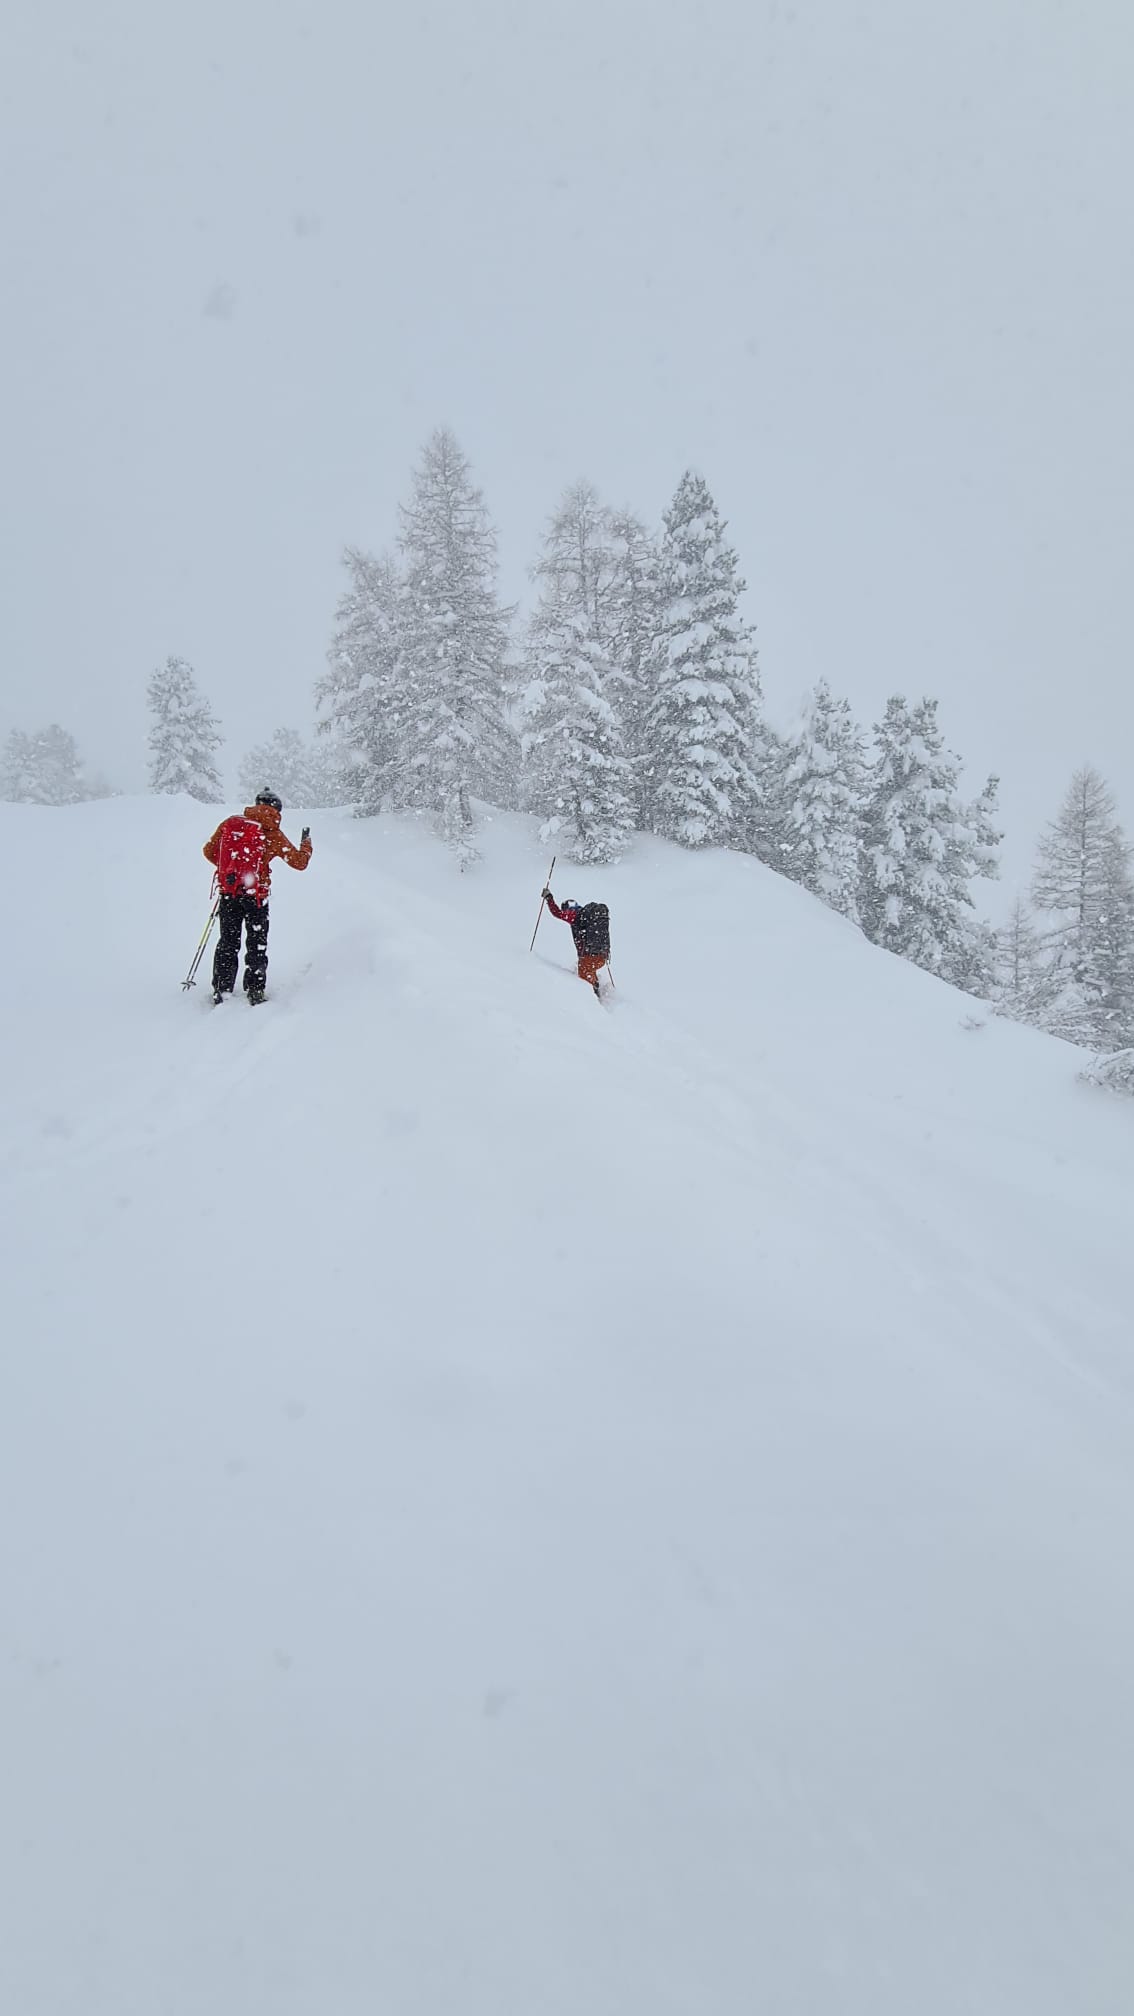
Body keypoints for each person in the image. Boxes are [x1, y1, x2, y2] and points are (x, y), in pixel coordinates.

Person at [202, 790, 312, 1005]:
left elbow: (209, 851)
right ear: (277, 810)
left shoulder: (231, 823)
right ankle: (255, 990)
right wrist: (306, 844)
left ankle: (222, 990)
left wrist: (231, 872)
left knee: (227, 942)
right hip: (257, 897)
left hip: (229, 893)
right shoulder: (272, 832)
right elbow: (299, 863)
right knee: (256, 944)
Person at [542, 888, 611, 995]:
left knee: (585, 984)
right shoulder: (587, 917)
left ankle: (593, 1002)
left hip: (589, 957)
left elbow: (557, 913)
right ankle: (598, 989)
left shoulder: (574, 915)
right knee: (590, 971)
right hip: (602, 956)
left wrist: (549, 898)